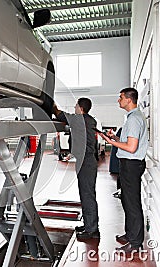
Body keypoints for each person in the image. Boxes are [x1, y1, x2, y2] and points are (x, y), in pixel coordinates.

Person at [99, 88, 149, 253]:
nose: (118, 100)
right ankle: (130, 235)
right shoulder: (132, 118)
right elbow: (128, 142)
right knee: (127, 201)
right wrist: (115, 138)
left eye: (120, 97)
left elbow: (131, 148)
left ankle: (135, 243)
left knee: (132, 203)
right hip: (129, 164)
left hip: (131, 164)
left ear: (129, 99)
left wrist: (110, 142)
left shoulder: (134, 119)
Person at [53, 98, 100, 239]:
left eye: (75, 106)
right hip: (88, 160)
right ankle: (88, 225)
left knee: (87, 195)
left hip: (86, 162)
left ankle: (92, 230)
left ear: (80, 108)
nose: (74, 108)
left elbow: (58, 113)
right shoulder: (91, 120)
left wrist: (50, 102)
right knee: (86, 193)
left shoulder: (78, 119)